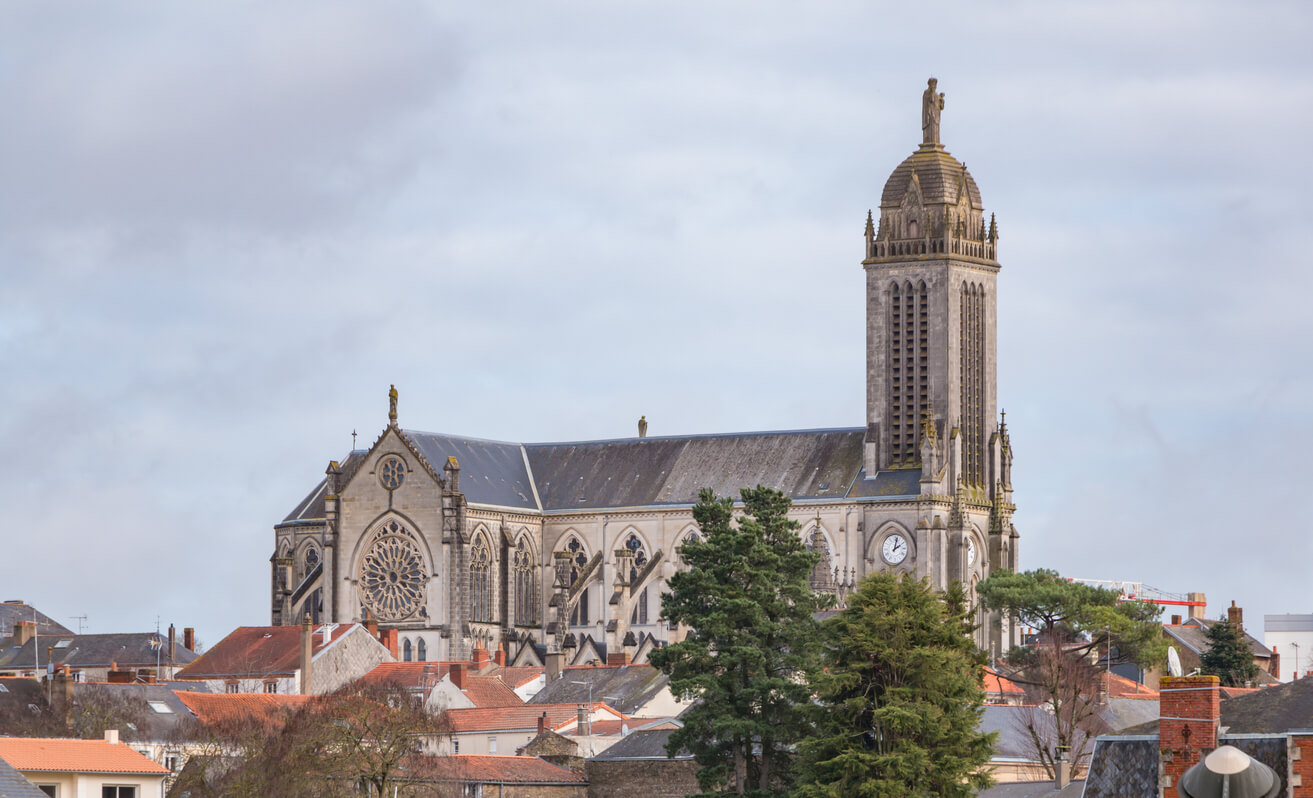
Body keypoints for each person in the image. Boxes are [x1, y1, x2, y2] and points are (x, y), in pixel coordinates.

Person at [922, 77, 945, 145]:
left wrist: (941, 99)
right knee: (930, 129)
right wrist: (932, 92)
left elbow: (941, 107)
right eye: (933, 84)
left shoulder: (936, 94)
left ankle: (935, 141)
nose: (934, 86)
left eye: (935, 85)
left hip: (936, 115)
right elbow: (931, 100)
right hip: (929, 114)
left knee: (935, 128)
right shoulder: (926, 93)